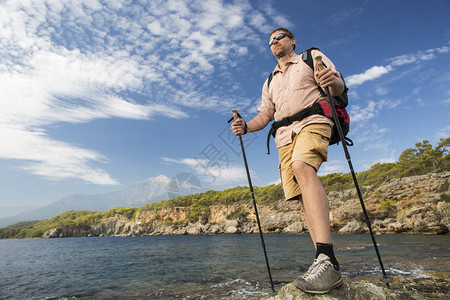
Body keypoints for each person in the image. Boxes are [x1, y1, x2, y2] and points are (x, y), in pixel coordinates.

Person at [231, 28, 345, 294]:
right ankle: (324, 264)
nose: (274, 42)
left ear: (292, 41)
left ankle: (326, 258)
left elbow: (336, 85)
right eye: (270, 41)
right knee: (301, 196)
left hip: (313, 121)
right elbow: (265, 115)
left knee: (302, 166)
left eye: (279, 37)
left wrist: (333, 81)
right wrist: (246, 127)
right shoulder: (269, 81)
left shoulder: (310, 57)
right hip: (283, 136)